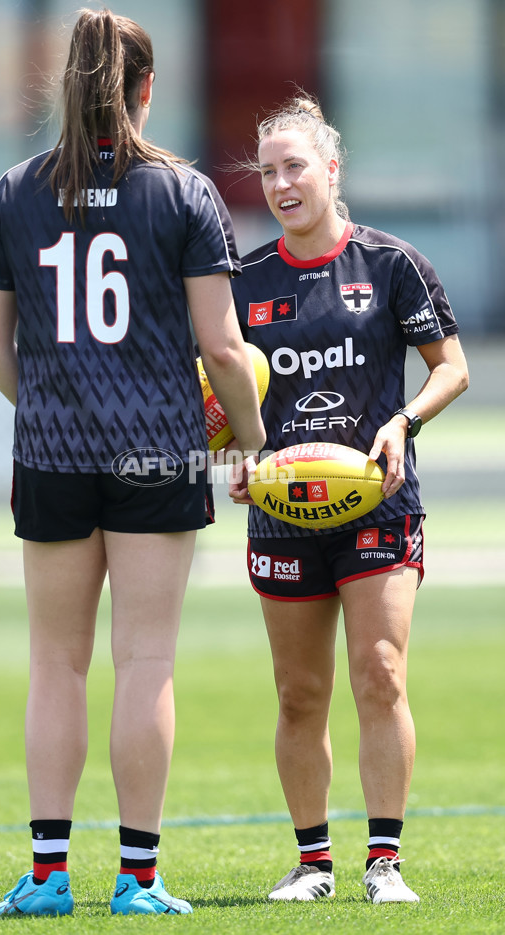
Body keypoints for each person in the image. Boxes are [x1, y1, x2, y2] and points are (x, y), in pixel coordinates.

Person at [0, 7, 265, 918]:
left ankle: (49, 874)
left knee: (55, 662)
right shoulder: (183, 193)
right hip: (156, 450)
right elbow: (222, 346)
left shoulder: (15, 189)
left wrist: (54, 407)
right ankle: (138, 879)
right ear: (145, 88)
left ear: (67, 83)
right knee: (146, 660)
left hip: (54, 454)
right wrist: (252, 443)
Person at [229, 92, 469, 905]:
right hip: (283, 509)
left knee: (380, 672)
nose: (280, 183)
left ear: (332, 169)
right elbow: (222, 396)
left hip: (379, 502)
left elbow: (453, 368)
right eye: (267, 172)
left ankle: (384, 862)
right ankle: (312, 863)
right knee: (300, 692)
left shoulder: (392, 265)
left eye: (295, 166)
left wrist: (402, 422)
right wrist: (232, 449)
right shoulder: (244, 282)